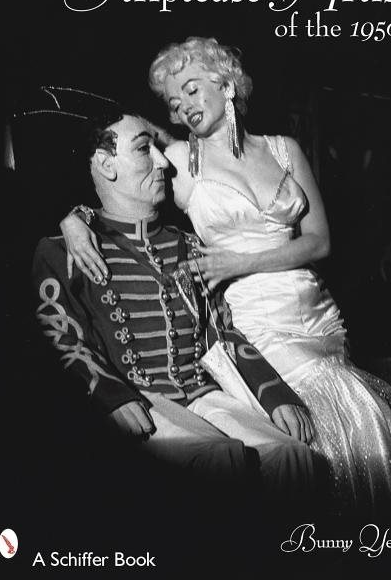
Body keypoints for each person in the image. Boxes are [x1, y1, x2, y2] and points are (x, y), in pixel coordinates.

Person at [61, 39, 391, 519]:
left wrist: (242, 261)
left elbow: (320, 242)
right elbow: (120, 167)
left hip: (316, 314)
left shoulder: (284, 149)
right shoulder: (182, 159)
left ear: (227, 85)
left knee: (344, 422)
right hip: (252, 320)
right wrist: (74, 216)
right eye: (173, 101)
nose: (183, 107)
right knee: (345, 414)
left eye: (192, 90)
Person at [32, 99, 317, 500]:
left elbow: (222, 330)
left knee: (291, 455)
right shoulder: (62, 250)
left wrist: (274, 394)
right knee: (220, 458)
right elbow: (63, 340)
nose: (163, 162)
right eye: (143, 149)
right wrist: (108, 395)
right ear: (106, 165)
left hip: (201, 393)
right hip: (137, 399)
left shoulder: (188, 245)